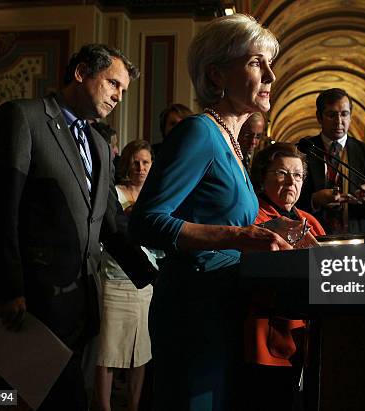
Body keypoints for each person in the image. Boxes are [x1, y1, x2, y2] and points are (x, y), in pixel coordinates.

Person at [0, 44, 155, 410]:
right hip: (33, 303)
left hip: (84, 303)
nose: (119, 96)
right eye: (113, 84)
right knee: (19, 398)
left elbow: (110, 225)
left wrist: (152, 274)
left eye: (123, 90)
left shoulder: (101, 145)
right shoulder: (23, 118)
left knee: (72, 399)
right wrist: (7, 288)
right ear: (81, 73)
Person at [129, 14, 293, 410]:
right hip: (194, 309)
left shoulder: (232, 142)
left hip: (225, 301)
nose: (270, 75)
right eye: (256, 63)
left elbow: (217, 212)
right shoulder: (198, 132)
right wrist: (239, 237)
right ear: (217, 75)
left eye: (269, 63)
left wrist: (272, 227)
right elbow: (146, 221)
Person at [243, 142, 325, 410]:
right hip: (268, 335)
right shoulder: (253, 218)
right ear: (262, 177)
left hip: (310, 336)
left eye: (298, 175)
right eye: (281, 173)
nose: (292, 181)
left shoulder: (309, 221)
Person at [95, 140, 158, 411]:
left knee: (140, 351)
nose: (140, 167)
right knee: (107, 350)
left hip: (145, 282)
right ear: (126, 164)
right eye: (135, 161)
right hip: (113, 278)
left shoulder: (156, 198)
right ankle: (104, 406)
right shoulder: (115, 194)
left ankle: (133, 406)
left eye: (145, 162)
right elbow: (106, 233)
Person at [296, 88, 365, 235]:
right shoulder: (304, 151)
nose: (339, 121)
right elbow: (287, 202)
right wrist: (314, 200)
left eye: (344, 114)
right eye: (331, 115)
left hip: (359, 239)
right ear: (319, 118)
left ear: (351, 117)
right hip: (313, 237)